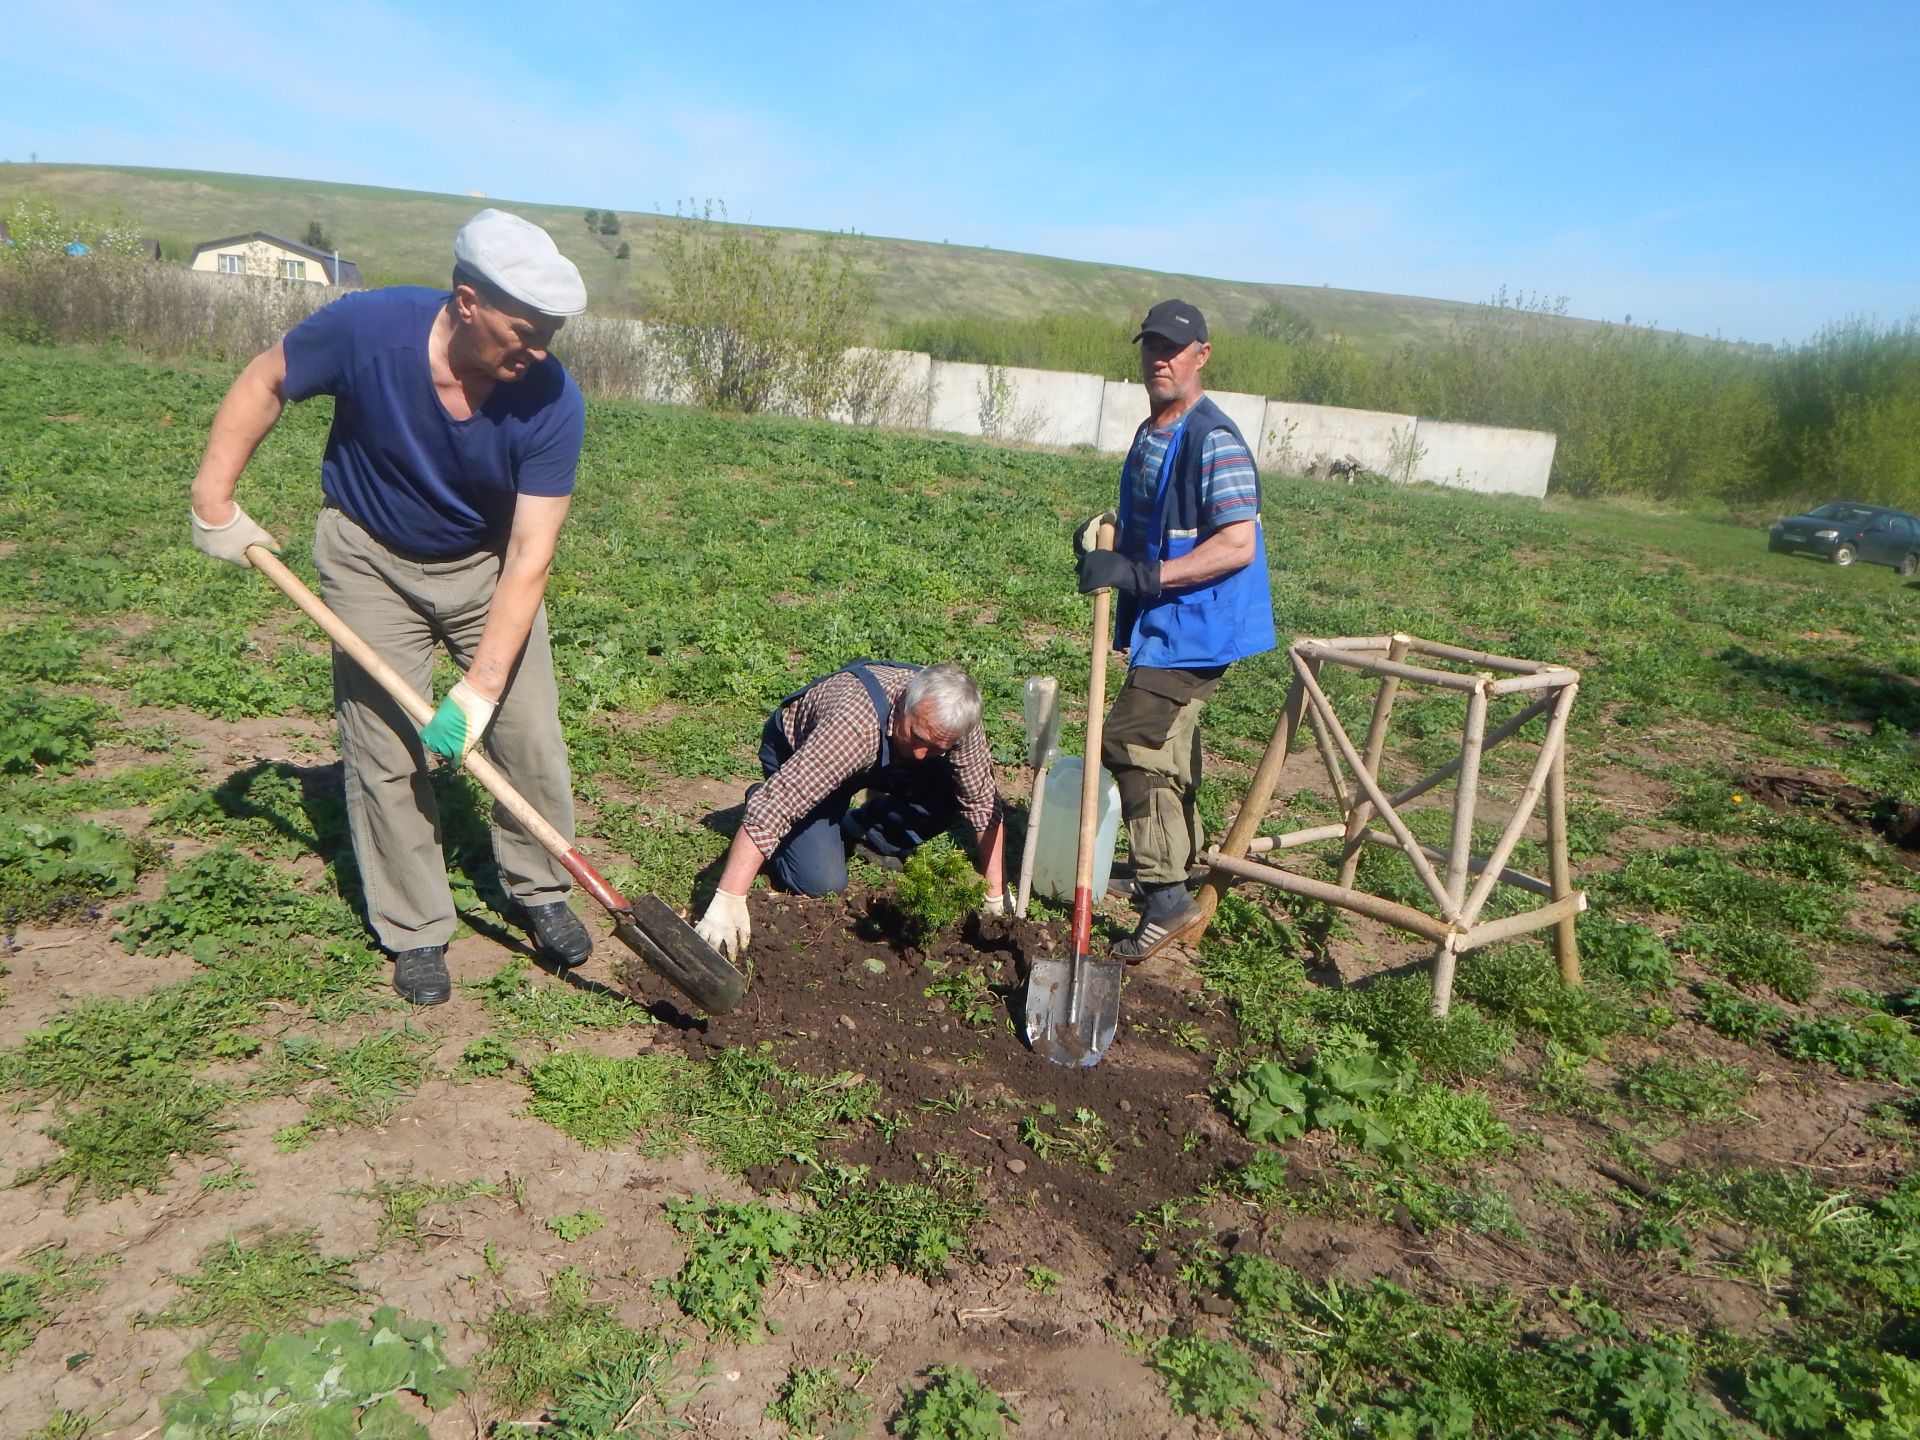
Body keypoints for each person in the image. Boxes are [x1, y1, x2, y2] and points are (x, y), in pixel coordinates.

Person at [188, 209, 595, 1006]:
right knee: (384, 750)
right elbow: (266, 380)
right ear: (468, 300)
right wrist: (213, 495)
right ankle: (416, 928)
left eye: (550, 332)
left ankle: (539, 885)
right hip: (368, 559)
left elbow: (530, 556)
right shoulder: (368, 329)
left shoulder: (551, 400)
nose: (539, 350)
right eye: (525, 329)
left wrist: (478, 689)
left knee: (528, 734)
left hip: (485, 569)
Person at [1073, 299, 1276, 961]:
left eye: (1175, 349)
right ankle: (1178, 874)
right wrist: (1106, 544)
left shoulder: (1212, 439)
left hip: (1200, 623)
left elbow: (1237, 544)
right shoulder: (1151, 431)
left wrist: (1149, 580)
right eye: (1151, 347)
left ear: (1202, 356)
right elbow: (1149, 525)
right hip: (1169, 622)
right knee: (1161, 745)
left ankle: (1164, 900)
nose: (1160, 359)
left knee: (1133, 743)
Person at [693, 661, 1008, 960]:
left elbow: (982, 802)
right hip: (799, 755)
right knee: (820, 881)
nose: (924, 753)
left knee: (949, 788)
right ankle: (762, 793)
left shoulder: (955, 722)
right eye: (918, 736)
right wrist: (728, 898)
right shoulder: (854, 725)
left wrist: (994, 896)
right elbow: (777, 807)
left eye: (939, 747)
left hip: (870, 759)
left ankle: (868, 833)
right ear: (903, 706)